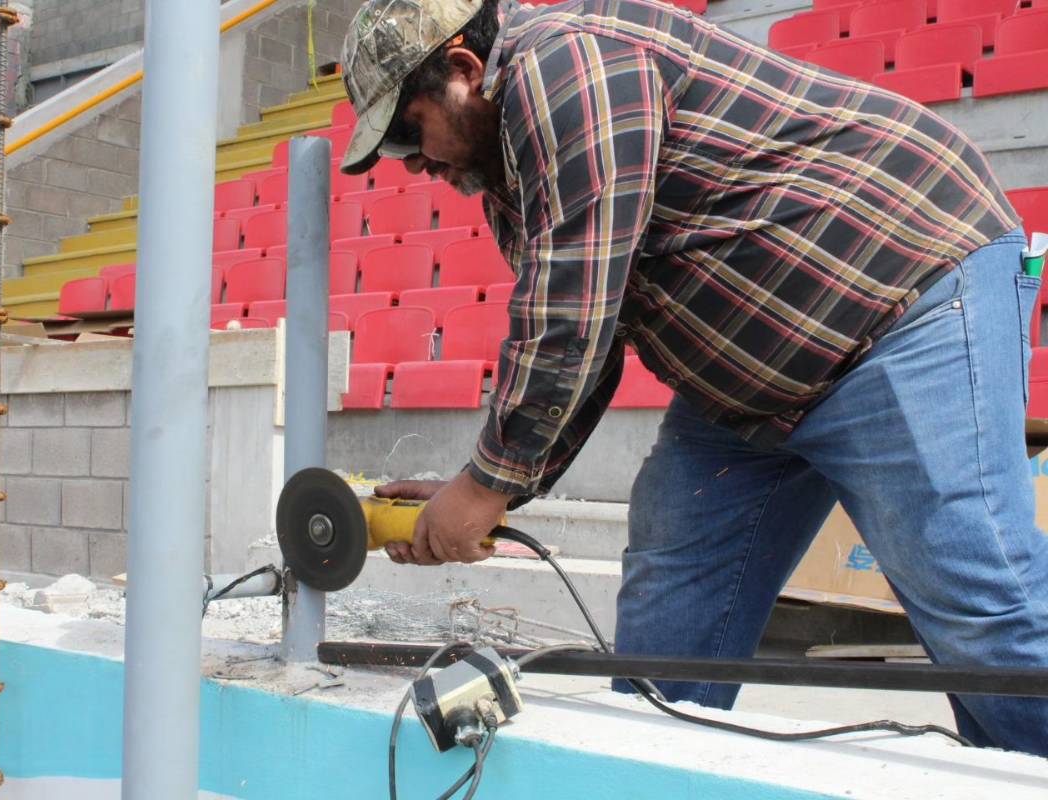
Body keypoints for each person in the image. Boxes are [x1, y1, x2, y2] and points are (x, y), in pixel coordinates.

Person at [338, 0, 1048, 755]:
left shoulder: (565, 65)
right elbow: (592, 345)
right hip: (755, 389)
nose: (413, 162)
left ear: (464, 69)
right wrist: (490, 487)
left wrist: (481, 488)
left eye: (407, 132)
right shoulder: (511, 176)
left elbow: (569, 312)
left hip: (901, 300)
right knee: (671, 597)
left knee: (981, 611)